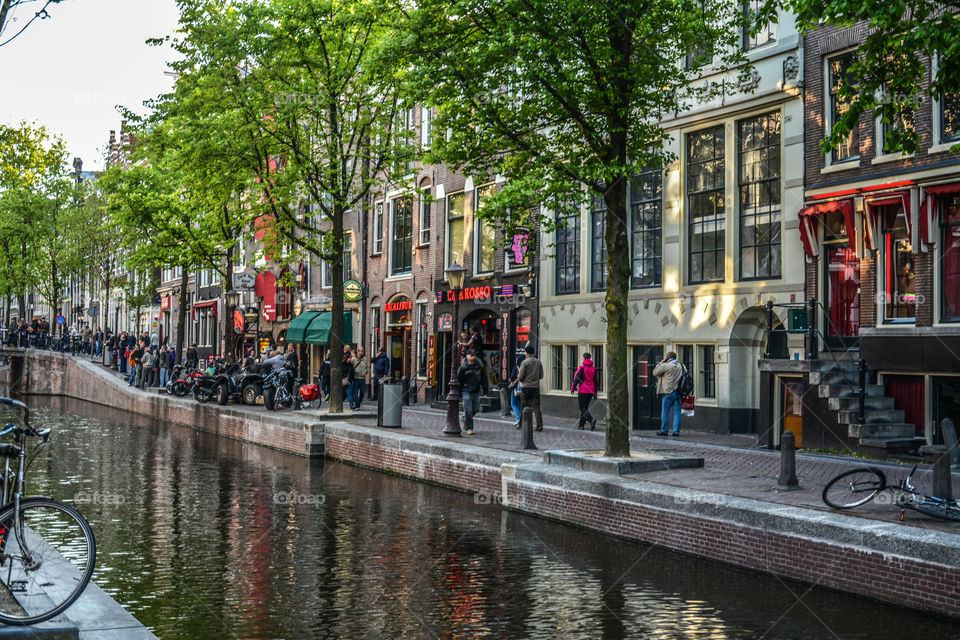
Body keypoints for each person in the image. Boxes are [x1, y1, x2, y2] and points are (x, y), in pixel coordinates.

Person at [653, 351, 684, 437]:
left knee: (665, 412)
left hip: (668, 392)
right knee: (677, 413)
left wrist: (661, 363)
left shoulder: (665, 366)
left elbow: (655, 372)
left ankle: (664, 430)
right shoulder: (681, 366)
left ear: (668, 357)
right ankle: (676, 432)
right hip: (678, 393)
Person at [457, 350, 488, 435]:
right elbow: (459, 380)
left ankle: (464, 418)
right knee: (468, 409)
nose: (473, 357)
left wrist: (485, 391)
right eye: (471, 355)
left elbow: (484, 379)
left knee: (476, 409)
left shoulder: (479, 366)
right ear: (467, 356)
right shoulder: (463, 367)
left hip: (475, 390)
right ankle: (469, 428)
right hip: (465, 390)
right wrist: (459, 393)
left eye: (474, 355)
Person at [517, 344, 544, 431]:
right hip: (535, 387)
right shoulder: (538, 362)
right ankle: (539, 425)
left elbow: (520, 377)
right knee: (536, 407)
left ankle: (521, 424)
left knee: (523, 406)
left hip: (526, 387)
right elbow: (541, 376)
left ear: (527, 353)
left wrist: (519, 378)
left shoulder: (524, 362)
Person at [571, 352, 598, 430]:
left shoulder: (582, 368)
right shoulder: (594, 369)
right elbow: (596, 382)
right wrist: (595, 393)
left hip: (583, 390)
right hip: (590, 391)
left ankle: (591, 419)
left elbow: (576, 379)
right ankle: (581, 425)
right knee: (585, 408)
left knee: (582, 408)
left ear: (584, 358)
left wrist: (573, 388)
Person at [509, 353, 525, 428]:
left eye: (517, 359)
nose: (516, 360)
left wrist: (511, 380)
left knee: (513, 403)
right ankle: (521, 419)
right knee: (519, 404)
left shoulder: (516, 368)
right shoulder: (525, 368)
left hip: (516, 388)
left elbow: (512, 377)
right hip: (524, 388)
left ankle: (518, 419)